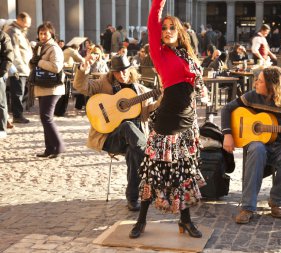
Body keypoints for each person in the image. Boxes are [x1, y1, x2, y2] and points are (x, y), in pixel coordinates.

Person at [129, 0, 206, 239]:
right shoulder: (158, 52)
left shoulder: (187, 54)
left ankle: (185, 221)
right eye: (164, 28)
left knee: (183, 174)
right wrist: (158, 4)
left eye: (172, 27)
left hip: (187, 123)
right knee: (154, 172)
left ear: (180, 30)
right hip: (166, 123)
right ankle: (141, 220)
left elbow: (195, 88)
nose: (168, 31)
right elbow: (153, 20)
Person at [73, 54, 161, 211]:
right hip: (110, 138)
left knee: (134, 152)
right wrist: (83, 69)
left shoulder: (141, 90)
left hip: (133, 141)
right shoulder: (102, 84)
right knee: (127, 126)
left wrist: (163, 97)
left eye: (124, 71)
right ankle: (148, 156)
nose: (121, 75)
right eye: (117, 72)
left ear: (130, 70)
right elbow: (81, 86)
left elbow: (149, 112)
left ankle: (132, 198)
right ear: (112, 72)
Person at [221, 66, 281, 223]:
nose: (255, 84)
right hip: (257, 144)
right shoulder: (252, 96)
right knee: (257, 148)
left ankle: (276, 201)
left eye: (259, 81)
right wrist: (227, 134)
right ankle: (247, 207)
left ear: (271, 86)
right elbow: (227, 109)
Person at [30, 22, 65, 158]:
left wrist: (38, 62)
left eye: (45, 33)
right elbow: (34, 65)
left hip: (52, 88)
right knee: (45, 118)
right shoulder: (40, 47)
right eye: (41, 33)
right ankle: (50, 149)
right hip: (43, 86)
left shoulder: (54, 48)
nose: (43, 36)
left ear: (51, 34)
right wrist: (34, 60)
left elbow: (56, 67)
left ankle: (59, 146)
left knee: (46, 118)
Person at [4, 12, 33, 124]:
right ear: (19, 20)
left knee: (22, 91)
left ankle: (18, 114)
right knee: (18, 93)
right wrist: (18, 66)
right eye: (26, 23)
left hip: (24, 67)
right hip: (18, 68)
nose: (28, 26)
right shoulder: (12, 31)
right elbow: (13, 51)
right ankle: (17, 115)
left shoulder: (20, 31)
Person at [0, 31, 14, 138]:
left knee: (1, 102)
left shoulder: (3, 35)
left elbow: (9, 55)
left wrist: (1, 71)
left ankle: (1, 129)